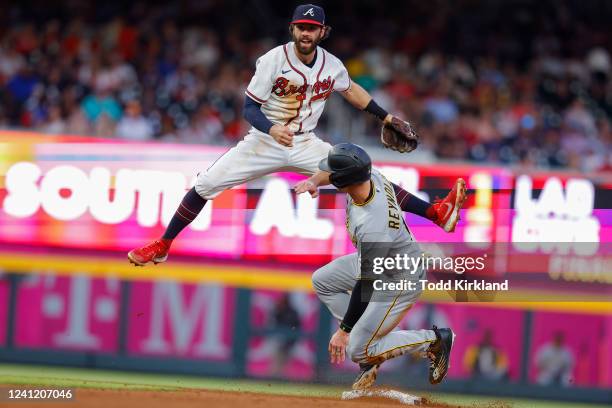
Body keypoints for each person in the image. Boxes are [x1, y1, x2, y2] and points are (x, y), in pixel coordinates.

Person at [128, 4, 466, 266]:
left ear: (322, 32)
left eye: (312, 28)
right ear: (292, 28)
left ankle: (436, 214)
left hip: (305, 142)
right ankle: (164, 244)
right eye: (301, 27)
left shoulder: (331, 65)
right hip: (263, 141)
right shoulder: (273, 60)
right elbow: (249, 109)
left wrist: (387, 116)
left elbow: (350, 91)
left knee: (367, 175)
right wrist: (271, 127)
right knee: (205, 185)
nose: (306, 33)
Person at [296, 143, 455, 389]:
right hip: (380, 262)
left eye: (333, 174)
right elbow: (397, 193)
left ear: (343, 181)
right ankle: (369, 340)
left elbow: (366, 284)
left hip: (400, 279)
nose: (329, 175)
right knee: (323, 281)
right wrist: (315, 181)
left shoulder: (373, 224)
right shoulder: (370, 176)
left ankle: (435, 340)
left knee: (357, 350)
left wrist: (344, 331)